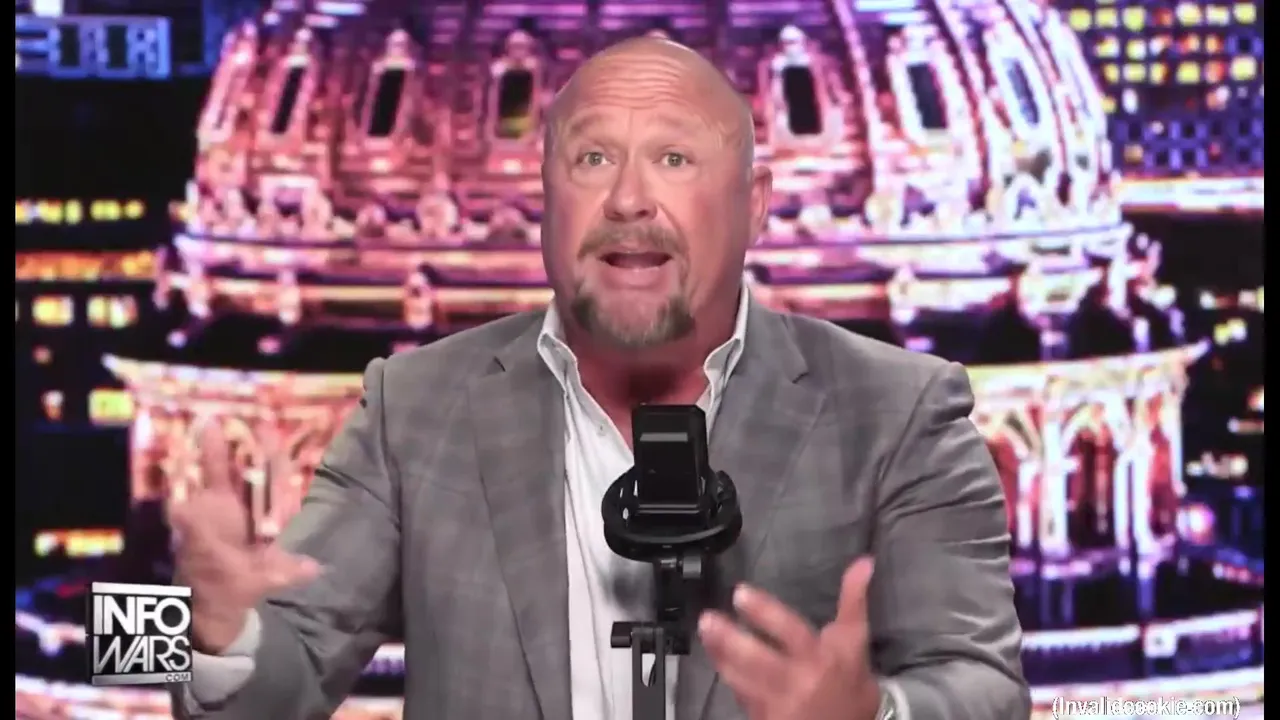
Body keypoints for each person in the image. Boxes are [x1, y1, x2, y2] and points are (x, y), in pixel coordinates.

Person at [170, 38, 1029, 720]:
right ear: (546, 198)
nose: (628, 200)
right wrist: (209, 629)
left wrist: (872, 715)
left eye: (676, 159)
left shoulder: (898, 411)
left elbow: (987, 686)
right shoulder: (415, 409)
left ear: (755, 204)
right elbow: (267, 672)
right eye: (591, 161)